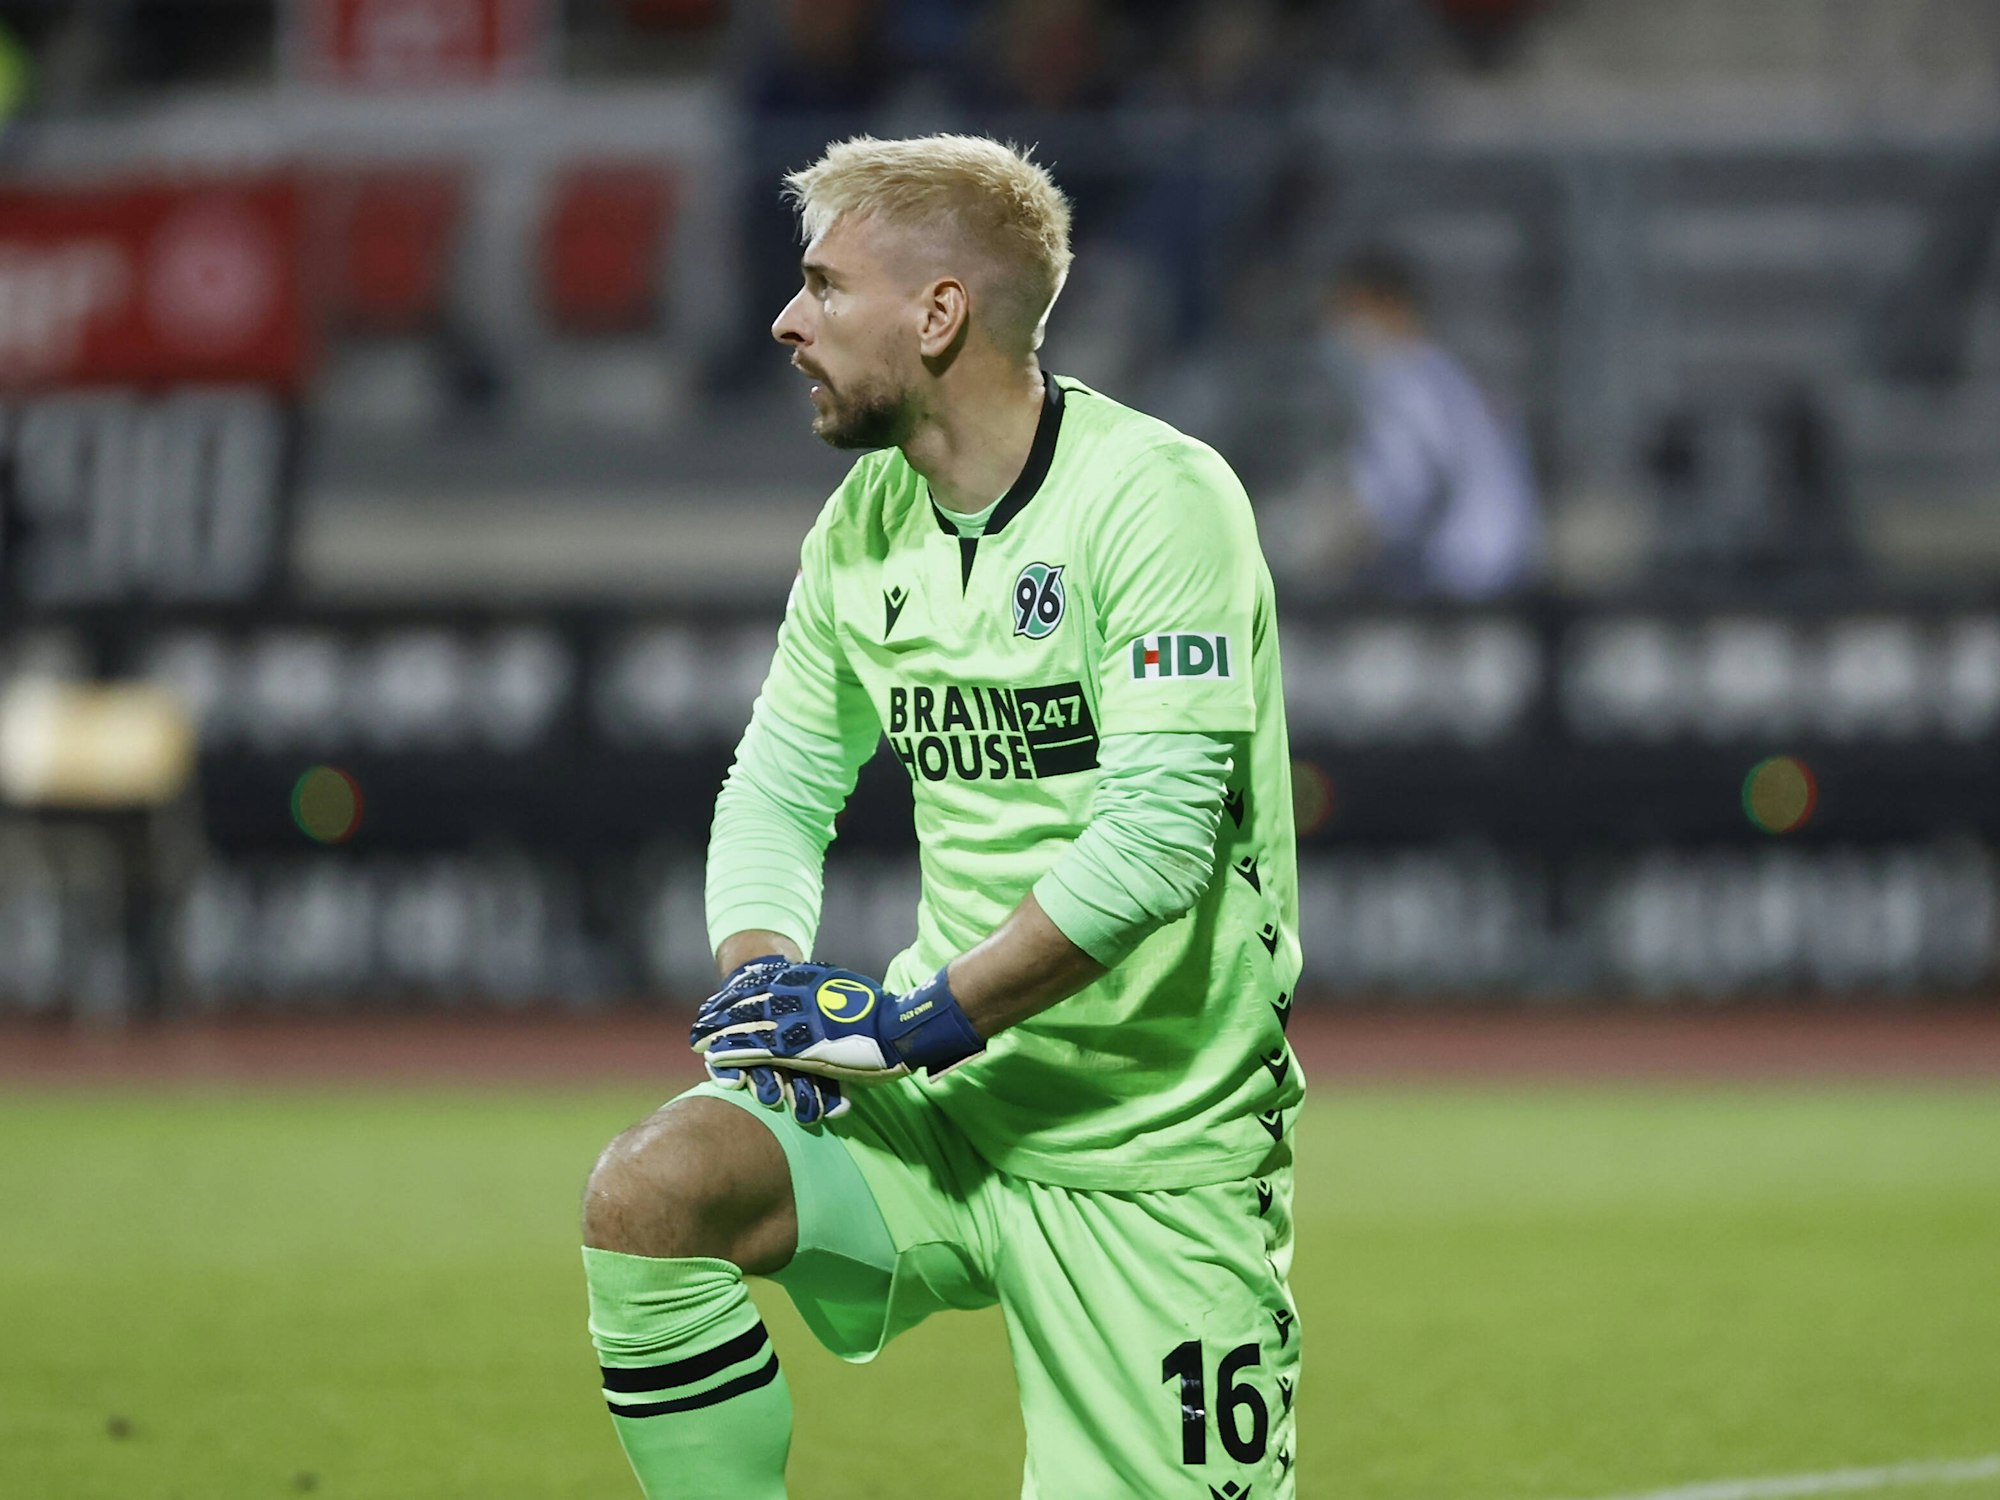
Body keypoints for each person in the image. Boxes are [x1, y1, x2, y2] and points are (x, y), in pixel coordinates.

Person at [580, 134, 1303, 1500]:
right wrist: (762, 984)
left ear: (938, 314)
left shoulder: (1154, 499)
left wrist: (912, 1024)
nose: (787, 321)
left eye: (823, 286)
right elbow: (782, 785)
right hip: (940, 1110)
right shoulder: (863, 525)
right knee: (651, 1193)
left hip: (1147, 1143)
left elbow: (1155, 841)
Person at [1320, 248, 1542, 600]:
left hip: (1461, 581)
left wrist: (1338, 544)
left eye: (1350, 311)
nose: (1341, 329)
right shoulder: (1444, 374)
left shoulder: (1400, 381)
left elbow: (1407, 489)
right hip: (1504, 568)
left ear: (1389, 306)